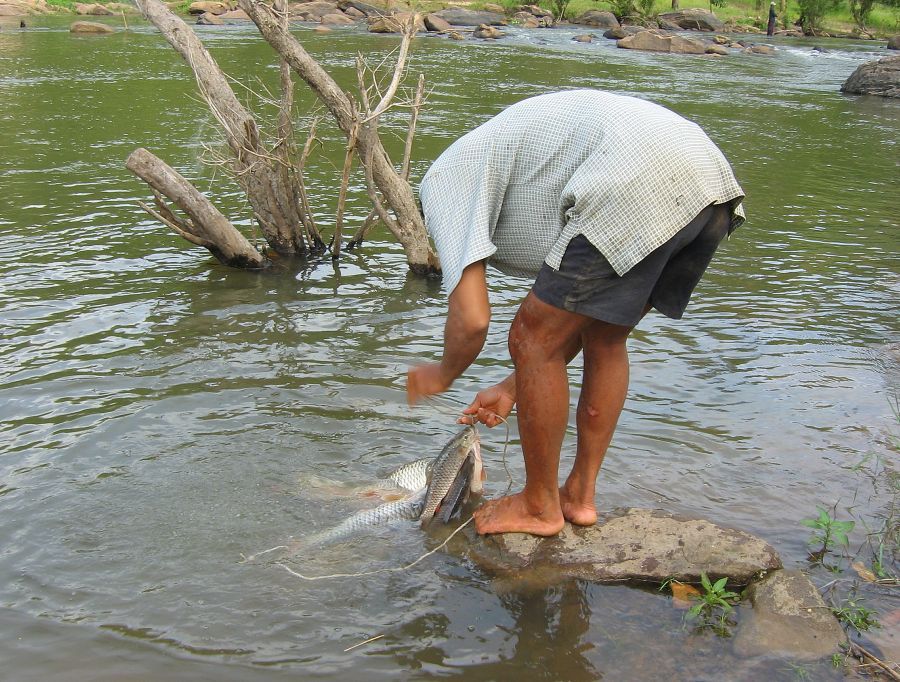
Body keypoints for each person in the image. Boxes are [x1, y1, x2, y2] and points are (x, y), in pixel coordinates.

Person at [406, 89, 745, 537]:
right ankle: (579, 497)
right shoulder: (501, 151)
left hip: (635, 178)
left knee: (529, 335)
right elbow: (579, 319)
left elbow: (472, 319)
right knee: (604, 337)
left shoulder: (444, 182)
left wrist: (441, 374)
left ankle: (538, 506)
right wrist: (514, 386)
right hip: (709, 182)